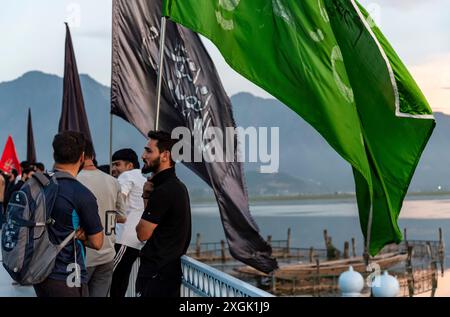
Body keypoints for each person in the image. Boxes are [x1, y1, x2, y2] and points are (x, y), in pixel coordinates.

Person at [33, 131, 104, 297]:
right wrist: (80, 235)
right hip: (68, 276)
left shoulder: (35, 186)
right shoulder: (81, 193)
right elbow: (97, 242)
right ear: (82, 157)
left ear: (54, 154)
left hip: (37, 270)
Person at [135, 131, 191, 298]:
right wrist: (146, 195)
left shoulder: (164, 191)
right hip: (167, 273)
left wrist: (148, 196)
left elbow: (142, 234)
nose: (143, 155)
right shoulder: (177, 187)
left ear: (165, 155)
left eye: (149, 151)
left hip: (157, 275)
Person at [77, 140, 127, 297]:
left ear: (79, 156)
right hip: (107, 253)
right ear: (93, 155)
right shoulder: (113, 181)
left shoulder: (75, 180)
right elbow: (122, 217)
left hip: (85, 255)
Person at [110, 149, 146, 297]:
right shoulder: (143, 179)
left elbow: (118, 201)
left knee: (106, 276)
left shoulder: (127, 176)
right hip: (135, 239)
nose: (113, 169)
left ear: (130, 165)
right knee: (120, 279)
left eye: (117, 164)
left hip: (124, 238)